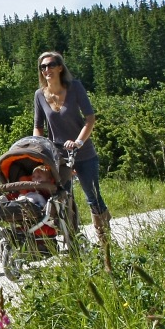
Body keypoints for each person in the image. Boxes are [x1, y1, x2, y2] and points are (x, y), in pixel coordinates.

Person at [33, 51, 112, 245]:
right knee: (62, 198)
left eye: (51, 65)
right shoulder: (39, 95)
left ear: (60, 67)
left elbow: (90, 119)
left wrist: (79, 142)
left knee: (92, 196)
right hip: (58, 155)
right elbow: (38, 127)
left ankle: (105, 241)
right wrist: (39, 150)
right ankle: (73, 240)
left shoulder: (75, 87)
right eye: (43, 67)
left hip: (83, 152)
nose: (47, 70)